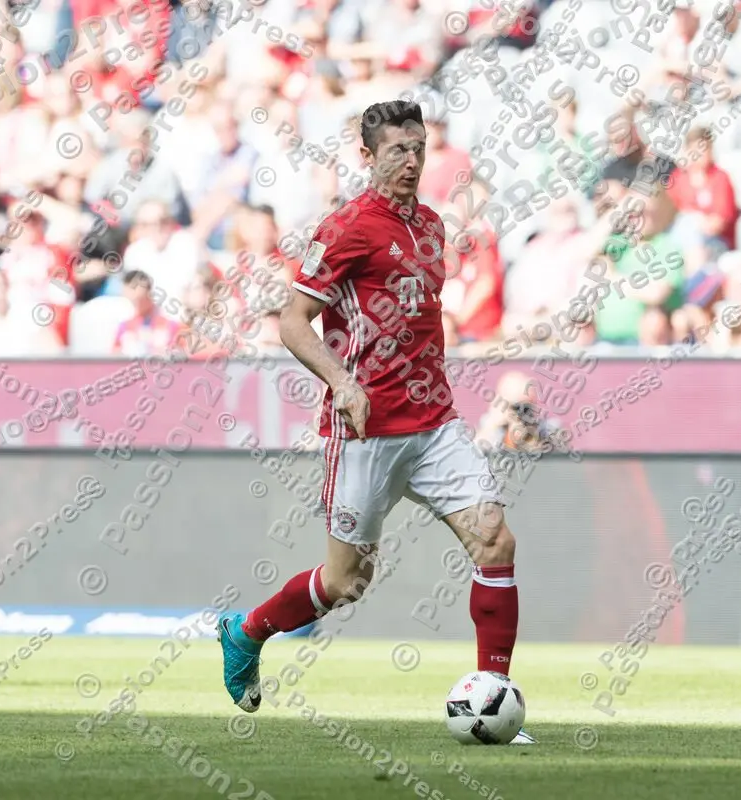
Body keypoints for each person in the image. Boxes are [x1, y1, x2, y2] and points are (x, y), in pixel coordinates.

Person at [216, 100, 533, 745]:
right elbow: (292, 321)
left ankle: (494, 697)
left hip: (435, 423)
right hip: (365, 432)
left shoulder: (432, 226)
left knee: (495, 542)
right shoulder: (347, 227)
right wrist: (342, 381)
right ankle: (246, 632)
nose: (411, 161)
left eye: (418, 149)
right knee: (345, 583)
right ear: (368, 156)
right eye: (397, 151)